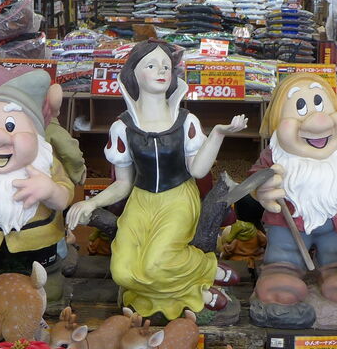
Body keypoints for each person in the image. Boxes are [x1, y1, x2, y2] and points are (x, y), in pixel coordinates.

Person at [65, 39, 249, 318]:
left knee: (154, 264)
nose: (161, 70)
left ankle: (204, 270)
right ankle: (191, 282)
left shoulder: (186, 121)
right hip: (141, 202)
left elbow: (198, 171)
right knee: (122, 272)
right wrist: (91, 203)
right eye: (151, 65)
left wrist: (218, 134)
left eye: (166, 66)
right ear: (134, 74)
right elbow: (122, 184)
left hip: (177, 198)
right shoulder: (122, 127)